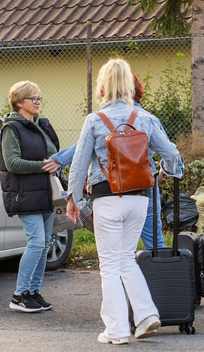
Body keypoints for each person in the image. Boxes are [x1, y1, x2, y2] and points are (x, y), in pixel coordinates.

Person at [65, 58, 183, 345]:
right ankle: (145, 315)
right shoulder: (146, 119)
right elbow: (173, 156)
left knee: (109, 264)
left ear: (102, 88)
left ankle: (117, 331)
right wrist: (166, 172)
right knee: (126, 259)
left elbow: (80, 163)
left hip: (108, 198)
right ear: (130, 85)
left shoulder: (94, 121)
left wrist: (73, 199)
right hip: (140, 199)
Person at [52, 73, 165, 250]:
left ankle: (120, 278)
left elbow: (81, 149)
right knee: (155, 243)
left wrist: (59, 160)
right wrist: (167, 168)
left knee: (118, 252)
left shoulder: (98, 118)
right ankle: (160, 275)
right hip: (144, 187)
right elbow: (171, 153)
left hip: (111, 188)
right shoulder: (148, 119)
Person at [0, 81, 61, 313]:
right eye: (33, 98)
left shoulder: (39, 125)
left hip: (45, 192)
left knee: (44, 244)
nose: (37, 102)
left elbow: (53, 153)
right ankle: (18, 295)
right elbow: (12, 163)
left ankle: (32, 292)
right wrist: (44, 167)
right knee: (36, 242)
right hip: (26, 194)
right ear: (18, 102)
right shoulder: (12, 129)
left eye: (39, 98)